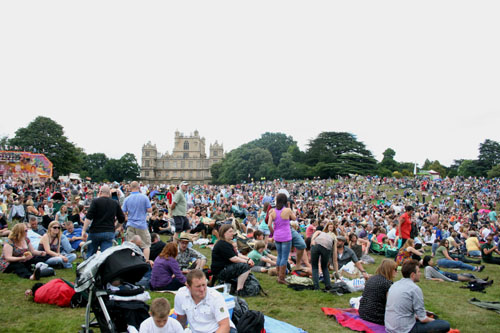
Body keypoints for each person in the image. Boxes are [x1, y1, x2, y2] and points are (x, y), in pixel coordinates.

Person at [385, 260, 451, 333]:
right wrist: (435, 321)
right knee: (444, 324)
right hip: (404, 329)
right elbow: (423, 319)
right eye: (419, 271)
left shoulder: (394, 285)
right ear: (413, 275)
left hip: (389, 327)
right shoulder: (414, 288)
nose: (420, 273)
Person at [82, 185, 126, 257]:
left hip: (95, 231)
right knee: (105, 256)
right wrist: (115, 227)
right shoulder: (115, 203)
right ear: (109, 194)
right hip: (109, 232)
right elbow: (122, 218)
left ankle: (90, 266)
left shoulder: (95, 201)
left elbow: (88, 217)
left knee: (90, 254)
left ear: (100, 192)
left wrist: (84, 230)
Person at [211, 224, 253, 295]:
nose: (232, 233)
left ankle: (238, 288)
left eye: (232, 231)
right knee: (245, 267)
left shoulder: (227, 243)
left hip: (224, 268)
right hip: (220, 271)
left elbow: (236, 254)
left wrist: (248, 259)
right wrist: (247, 262)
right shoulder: (222, 244)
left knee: (245, 266)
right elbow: (234, 259)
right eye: (230, 231)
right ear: (224, 233)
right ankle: (239, 290)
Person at [358, 259, 398, 325]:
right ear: (390, 270)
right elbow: (390, 305)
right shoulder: (387, 284)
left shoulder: (371, 278)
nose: (397, 272)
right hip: (375, 316)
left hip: (363, 312)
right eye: (395, 269)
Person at [268, 193, 296, 284]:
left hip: (277, 236)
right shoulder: (287, 210)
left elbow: (269, 225)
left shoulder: (272, 211)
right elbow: (294, 218)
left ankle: (278, 275)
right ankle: (281, 278)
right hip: (286, 236)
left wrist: (273, 232)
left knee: (279, 256)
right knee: (284, 257)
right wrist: (289, 207)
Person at [123, 181, 153, 261]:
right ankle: (146, 263)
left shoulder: (127, 199)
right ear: (139, 187)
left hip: (130, 224)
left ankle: (130, 262)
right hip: (141, 224)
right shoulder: (144, 197)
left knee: (130, 245)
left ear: (130, 188)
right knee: (146, 245)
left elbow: (123, 212)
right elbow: (149, 210)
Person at [422, 256, 492, 284]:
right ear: (428, 262)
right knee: (467, 279)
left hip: (447, 273)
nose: (432, 261)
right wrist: (438, 279)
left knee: (468, 275)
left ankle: (482, 280)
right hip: (447, 275)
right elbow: (428, 278)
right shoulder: (428, 268)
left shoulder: (432, 266)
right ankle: (484, 283)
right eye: (431, 260)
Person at [310, 224, 339, 290]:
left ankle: (316, 287)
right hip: (327, 248)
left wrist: (312, 240)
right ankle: (328, 285)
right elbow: (334, 255)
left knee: (314, 267)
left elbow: (316, 233)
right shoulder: (334, 238)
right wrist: (337, 272)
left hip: (316, 244)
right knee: (324, 267)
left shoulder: (321, 232)